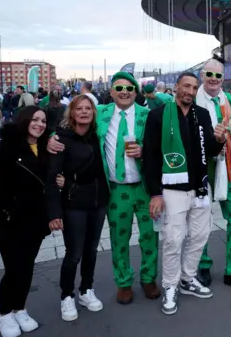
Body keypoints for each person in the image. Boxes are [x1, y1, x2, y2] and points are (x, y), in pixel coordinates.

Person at [48, 72, 160, 305]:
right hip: (116, 188)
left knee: (150, 236)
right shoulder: (101, 115)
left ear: (135, 92)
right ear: (111, 92)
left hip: (144, 187)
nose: (124, 92)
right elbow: (72, 127)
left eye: (129, 88)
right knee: (119, 238)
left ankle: (149, 279)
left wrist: (144, 152)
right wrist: (51, 137)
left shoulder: (148, 115)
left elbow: (160, 146)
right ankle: (124, 283)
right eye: (119, 88)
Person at [143, 72, 226, 315]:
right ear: (176, 87)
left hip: (199, 186)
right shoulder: (158, 115)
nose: (189, 91)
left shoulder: (202, 114)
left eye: (193, 87)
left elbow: (210, 149)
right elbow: (150, 156)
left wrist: (219, 139)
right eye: (186, 86)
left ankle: (187, 279)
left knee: (200, 236)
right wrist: (155, 194)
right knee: (173, 240)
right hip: (172, 190)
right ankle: (170, 285)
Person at [0, 106, 63, 337]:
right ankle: (4, 313)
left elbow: (48, 180)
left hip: (36, 222)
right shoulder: (6, 147)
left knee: (26, 268)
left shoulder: (45, 148)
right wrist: (11, 209)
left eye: (44, 121)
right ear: (24, 120)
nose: (39, 124)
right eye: (35, 119)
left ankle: (20, 308)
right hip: (10, 222)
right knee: (14, 269)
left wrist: (60, 179)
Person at [46, 95, 109, 322]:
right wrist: (54, 213)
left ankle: (86, 290)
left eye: (88, 109)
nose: (84, 112)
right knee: (74, 253)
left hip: (98, 202)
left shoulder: (98, 136)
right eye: (79, 109)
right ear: (71, 113)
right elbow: (52, 178)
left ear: (94, 113)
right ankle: (66, 295)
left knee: (91, 251)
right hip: (74, 205)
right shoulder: (61, 139)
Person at [195, 58, 231, 292]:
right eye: (209, 74)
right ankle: (203, 265)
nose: (213, 79)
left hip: (227, 163)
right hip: (200, 166)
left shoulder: (229, 99)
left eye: (218, 75)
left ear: (223, 78)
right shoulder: (191, 100)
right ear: (202, 75)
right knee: (200, 219)